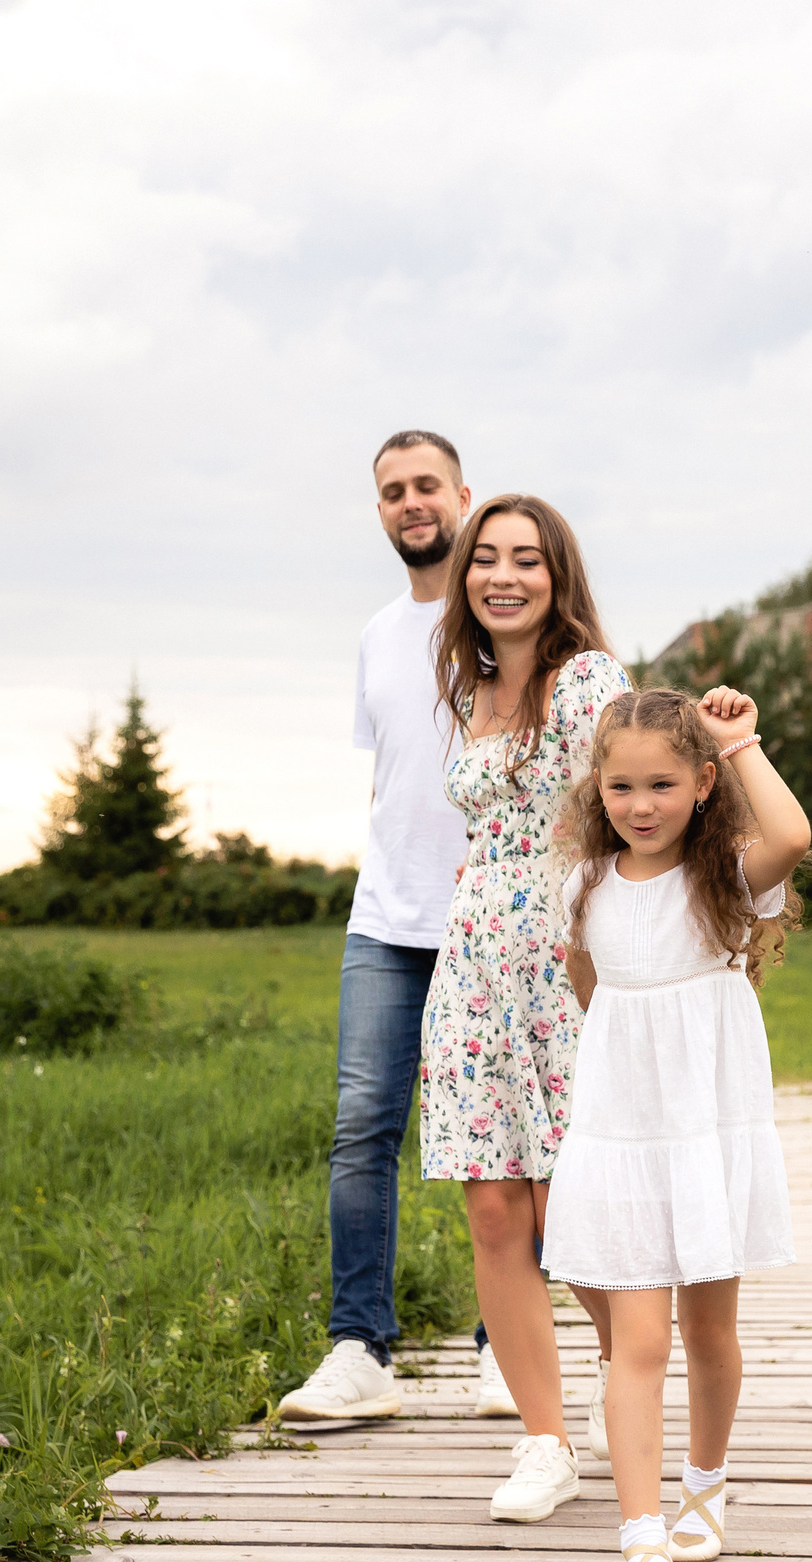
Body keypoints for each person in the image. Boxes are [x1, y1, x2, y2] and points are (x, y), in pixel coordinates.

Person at [539, 685, 812, 1562]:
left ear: (700, 783)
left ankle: (705, 1482)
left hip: (704, 1130)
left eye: (662, 784)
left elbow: (793, 836)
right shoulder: (583, 884)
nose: (641, 805)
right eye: (621, 787)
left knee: (708, 1330)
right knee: (638, 1343)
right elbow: (592, 983)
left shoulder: (724, 874)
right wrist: (623, 1083)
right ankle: (641, 1537)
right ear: (599, 789)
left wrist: (742, 743)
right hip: (622, 1132)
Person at [279, 430, 526, 1423]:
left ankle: (509, 1347)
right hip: (385, 922)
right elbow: (392, 778)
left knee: (502, 1136)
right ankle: (359, 1353)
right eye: (391, 491)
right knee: (360, 1132)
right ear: (380, 511)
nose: (410, 503)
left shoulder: (513, 620)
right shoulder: (379, 636)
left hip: (495, 921)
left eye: (426, 485)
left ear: (462, 494)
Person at [420, 492, 631, 1522]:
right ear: (464, 579)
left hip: (566, 956)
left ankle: (620, 1374)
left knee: (570, 1203)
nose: (504, 576)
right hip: (473, 962)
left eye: (527, 560)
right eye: (485, 559)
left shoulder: (587, 681)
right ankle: (542, 1443)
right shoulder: (469, 689)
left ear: (558, 578)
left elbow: (637, 801)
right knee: (494, 1206)